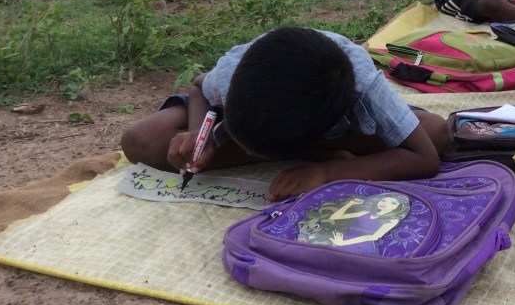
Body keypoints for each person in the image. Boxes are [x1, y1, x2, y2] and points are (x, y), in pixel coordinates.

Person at [120, 27, 449, 201]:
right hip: (284, 127)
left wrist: (327, 174)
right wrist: (199, 134)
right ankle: (290, 148)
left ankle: (313, 152)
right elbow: (197, 88)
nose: (248, 152)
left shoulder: (364, 84)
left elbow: (425, 157)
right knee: (141, 141)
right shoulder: (234, 75)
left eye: (255, 149)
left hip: (339, 128)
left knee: (436, 133)